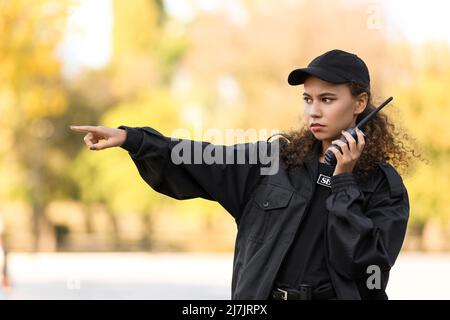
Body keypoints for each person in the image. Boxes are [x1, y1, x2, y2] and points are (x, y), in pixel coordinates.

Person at [71, 49, 416, 300]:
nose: (314, 111)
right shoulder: (274, 161)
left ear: (360, 104)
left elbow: (367, 268)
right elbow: (203, 158)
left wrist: (343, 182)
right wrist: (135, 140)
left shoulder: (385, 187)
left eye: (327, 99)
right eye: (308, 99)